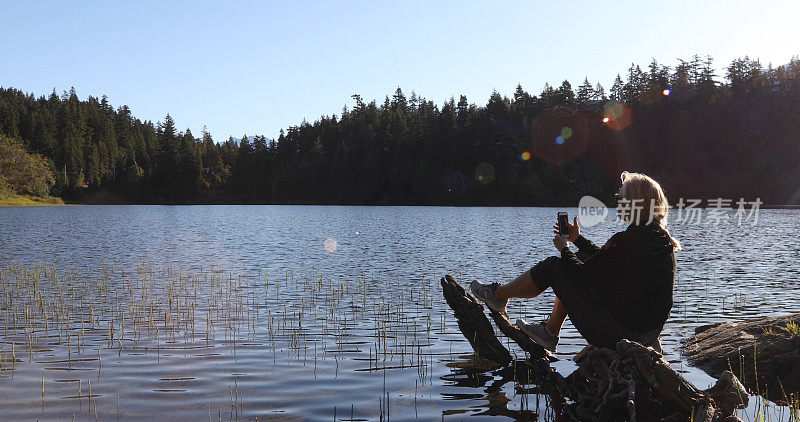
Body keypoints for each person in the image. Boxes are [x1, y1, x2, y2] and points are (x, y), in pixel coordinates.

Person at [470, 171, 680, 354]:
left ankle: (497, 296)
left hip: (620, 335)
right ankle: (549, 332)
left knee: (554, 266)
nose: (616, 200)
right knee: (579, 259)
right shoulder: (660, 239)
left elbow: (580, 275)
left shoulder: (628, 240)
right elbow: (607, 262)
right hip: (648, 334)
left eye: (620, 197)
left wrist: (564, 248)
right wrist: (578, 240)